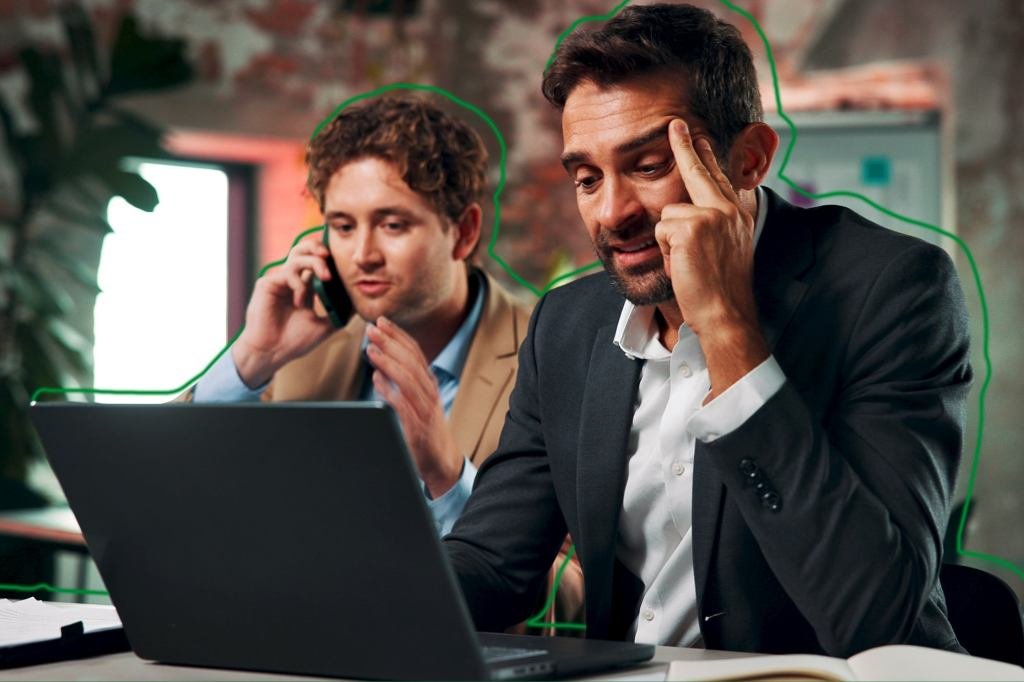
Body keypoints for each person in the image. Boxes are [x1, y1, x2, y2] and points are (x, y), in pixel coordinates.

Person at [442, 3, 972, 658]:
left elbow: (876, 619)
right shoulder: (569, 327)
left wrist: (724, 324)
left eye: (648, 166)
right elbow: (496, 564)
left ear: (748, 159)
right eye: (586, 178)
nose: (612, 214)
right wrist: (346, 597)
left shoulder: (893, 291)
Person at [186, 96, 583, 624]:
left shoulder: (557, 354)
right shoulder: (305, 354)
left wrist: (448, 478)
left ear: (463, 232)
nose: (362, 255)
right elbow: (182, 502)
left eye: (392, 225)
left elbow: (577, 598)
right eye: (343, 227)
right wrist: (253, 359)